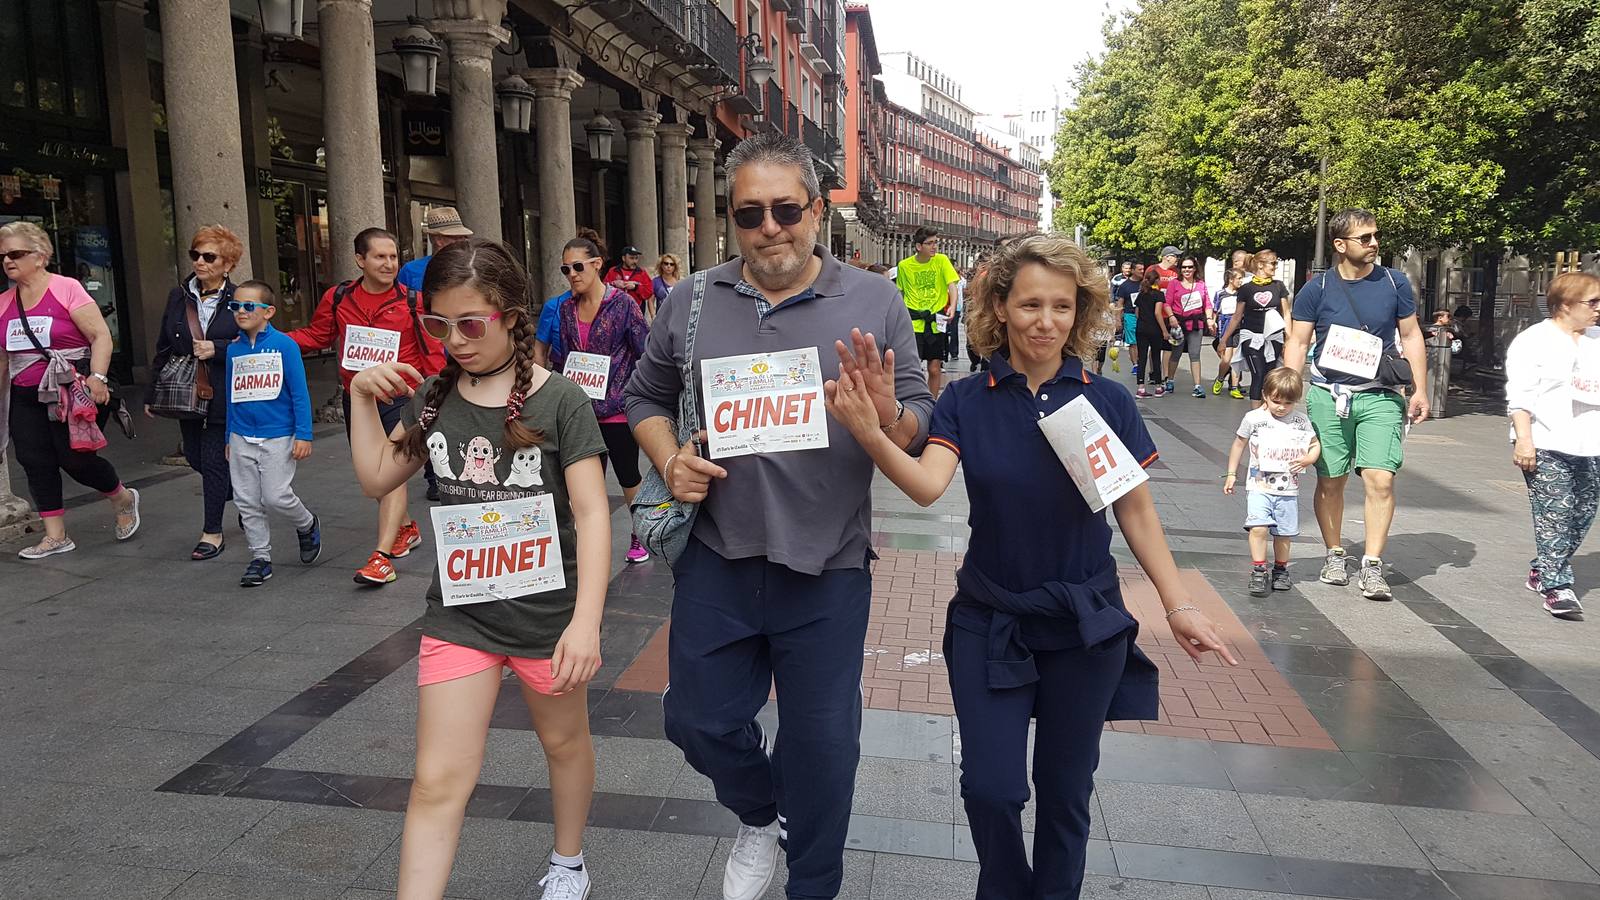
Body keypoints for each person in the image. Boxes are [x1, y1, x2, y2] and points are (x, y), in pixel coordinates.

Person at [824, 232, 1237, 900]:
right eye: (1030, 305)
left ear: (1080, 312)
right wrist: (872, 434)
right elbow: (929, 485)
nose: (1046, 321)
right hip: (991, 621)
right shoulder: (967, 399)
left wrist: (1177, 602)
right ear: (1000, 308)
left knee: (1066, 793)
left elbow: (1133, 512)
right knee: (990, 789)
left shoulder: (1106, 402)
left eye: (1062, 306)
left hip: (1085, 626)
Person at [624, 131, 935, 900]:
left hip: (827, 566)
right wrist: (669, 461)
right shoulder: (691, 300)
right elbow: (644, 397)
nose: (771, 228)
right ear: (731, 220)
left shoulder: (873, 300)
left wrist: (888, 414)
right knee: (696, 722)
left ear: (817, 211)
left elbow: (920, 415)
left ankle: (813, 883)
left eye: (787, 210)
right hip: (718, 558)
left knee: (825, 750)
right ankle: (761, 813)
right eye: (750, 214)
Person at [347, 239, 610, 900]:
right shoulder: (435, 399)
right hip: (461, 618)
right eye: (438, 325)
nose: (454, 341)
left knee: (564, 745)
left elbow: (593, 513)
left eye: (470, 324)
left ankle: (569, 860)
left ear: (512, 316)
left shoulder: (562, 403)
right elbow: (378, 476)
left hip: (548, 620)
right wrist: (358, 397)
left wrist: (585, 626)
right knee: (437, 779)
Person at [1283, 209, 1428, 601]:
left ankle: (1373, 564)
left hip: (1380, 394)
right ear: (1340, 245)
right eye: (1365, 238)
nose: (1374, 243)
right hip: (1327, 395)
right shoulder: (1318, 288)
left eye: (1375, 236)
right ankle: (1334, 554)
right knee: (1330, 481)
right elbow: (1297, 342)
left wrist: (1419, 389)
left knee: (1380, 478)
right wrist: (1287, 393)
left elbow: (1412, 335)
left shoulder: (1394, 283)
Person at [287, 227, 444, 586]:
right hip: (358, 398)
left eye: (393, 257)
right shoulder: (339, 297)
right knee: (371, 474)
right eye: (380, 257)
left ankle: (382, 557)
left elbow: (433, 353)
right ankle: (405, 528)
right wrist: (275, 339)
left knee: (389, 471)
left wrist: (435, 392)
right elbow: (318, 336)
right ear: (360, 260)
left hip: (400, 398)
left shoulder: (413, 301)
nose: (389, 264)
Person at [1, 221, 140, 558]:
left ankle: (121, 497)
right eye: (3, 255)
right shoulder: (4, 302)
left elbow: (100, 336)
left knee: (76, 460)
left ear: (40, 255)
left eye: (15, 254)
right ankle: (56, 535)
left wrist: (98, 377)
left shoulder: (66, 288)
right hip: (25, 394)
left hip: (69, 389)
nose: (7, 261)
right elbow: (3, 358)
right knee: (34, 460)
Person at [551, 230, 652, 565]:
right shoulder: (565, 308)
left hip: (618, 410)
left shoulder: (623, 304)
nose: (572, 275)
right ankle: (586, 544)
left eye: (577, 267)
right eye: (565, 269)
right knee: (584, 484)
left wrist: (634, 393)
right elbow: (562, 355)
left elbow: (645, 351)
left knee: (627, 475)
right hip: (580, 410)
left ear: (597, 265)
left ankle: (640, 535)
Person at [1506, 271, 1600, 620]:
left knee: (1583, 513)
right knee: (1555, 514)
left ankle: (1543, 565)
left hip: (1591, 443)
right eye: (1592, 302)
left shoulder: (1596, 340)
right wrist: (1524, 441)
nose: (1597, 309)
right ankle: (1556, 585)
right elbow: (1520, 396)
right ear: (1564, 305)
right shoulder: (1534, 341)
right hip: (1546, 441)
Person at [148, 226, 243, 560]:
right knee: (195, 456)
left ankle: (212, 532)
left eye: (209, 256)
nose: (200, 262)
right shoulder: (179, 296)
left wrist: (216, 349)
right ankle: (247, 497)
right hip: (186, 388)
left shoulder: (239, 298)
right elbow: (163, 344)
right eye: (195, 255)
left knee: (215, 460)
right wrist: (150, 393)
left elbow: (255, 343)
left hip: (223, 388)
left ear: (227, 264)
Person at [223, 280, 322, 587]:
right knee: (247, 500)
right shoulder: (233, 349)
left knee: (276, 496)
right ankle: (260, 558)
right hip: (241, 435)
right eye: (235, 306)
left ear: (268, 312)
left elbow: (299, 393)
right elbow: (232, 395)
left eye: (249, 306)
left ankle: (306, 524)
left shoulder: (285, 346)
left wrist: (304, 434)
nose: (241, 311)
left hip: (278, 434)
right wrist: (229, 436)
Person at [1224, 367, 1321, 596]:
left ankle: (1280, 569)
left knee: (1283, 533)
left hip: (1287, 489)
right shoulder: (1254, 418)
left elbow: (1315, 444)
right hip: (1259, 486)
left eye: (1288, 403)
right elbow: (1238, 443)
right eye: (1276, 401)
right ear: (1265, 395)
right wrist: (1231, 473)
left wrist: (1308, 458)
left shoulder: (1301, 421)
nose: (1281, 407)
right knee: (1257, 527)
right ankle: (1259, 569)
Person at [1219, 250, 1292, 408]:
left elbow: (1286, 313)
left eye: (1276, 263)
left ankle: (1267, 409)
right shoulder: (1246, 289)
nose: (1275, 267)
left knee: (1270, 376)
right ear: (1260, 265)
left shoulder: (1278, 286)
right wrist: (1224, 340)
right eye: (1272, 263)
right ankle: (1256, 415)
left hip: (1273, 338)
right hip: (1251, 337)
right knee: (1258, 374)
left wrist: (1289, 339)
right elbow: (1237, 316)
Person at [895, 226, 961, 396]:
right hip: (914, 321)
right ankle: (915, 399)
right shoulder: (904, 266)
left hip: (936, 319)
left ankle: (931, 402)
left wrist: (952, 306)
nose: (934, 246)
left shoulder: (942, 261)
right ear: (918, 246)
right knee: (913, 367)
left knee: (934, 368)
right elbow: (901, 292)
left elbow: (952, 286)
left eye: (935, 243)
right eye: (929, 243)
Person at [1163, 257, 1214, 397]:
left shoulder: (1200, 285)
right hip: (1178, 323)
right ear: (1180, 269)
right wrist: (1171, 317)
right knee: (1176, 353)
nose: (1187, 270)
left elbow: (1207, 304)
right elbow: (1166, 303)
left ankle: (1197, 386)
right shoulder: (1174, 284)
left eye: (1190, 267)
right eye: (1184, 267)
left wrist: (1209, 319)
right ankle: (1170, 381)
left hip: (1196, 324)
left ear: (1195, 268)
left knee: (1195, 354)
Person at [397, 206, 474, 293]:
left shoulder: (472, 267)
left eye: (464, 237)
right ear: (439, 240)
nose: (462, 241)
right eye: (456, 238)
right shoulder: (410, 270)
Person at [1133, 267, 1171, 398]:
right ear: (1157, 280)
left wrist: (1143, 321)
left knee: (1141, 357)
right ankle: (1158, 387)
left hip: (1141, 328)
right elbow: (1157, 313)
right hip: (1154, 329)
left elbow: (1137, 312)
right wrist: (1164, 330)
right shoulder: (1159, 295)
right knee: (1155, 356)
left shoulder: (1141, 294)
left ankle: (1141, 387)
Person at [1211, 266, 1244, 397]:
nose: (1241, 281)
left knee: (1237, 359)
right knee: (1226, 359)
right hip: (1225, 327)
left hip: (1239, 328)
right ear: (1231, 279)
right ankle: (1220, 378)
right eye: (1239, 278)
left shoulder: (1242, 294)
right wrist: (1212, 322)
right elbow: (1216, 310)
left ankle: (1234, 387)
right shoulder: (1221, 293)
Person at [1114, 262, 1144, 377]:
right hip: (1130, 315)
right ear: (1132, 270)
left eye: (1143, 269)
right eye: (1139, 269)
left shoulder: (1144, 284)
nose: (1142, 271)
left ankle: (1142, 362)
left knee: (1143, 341)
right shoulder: (1125, 286)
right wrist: (1118, 319)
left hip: (1144, 316)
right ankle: (1135, 364)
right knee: (1133, 342)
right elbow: (1120, 303)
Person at [604, 245, 655, 311]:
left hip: (636, 311)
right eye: (631, 258)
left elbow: (649, 292)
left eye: (636, 258)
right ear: (623, 258)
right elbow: (603, 287)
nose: (634, 261)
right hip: (616, 310)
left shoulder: (642, 273)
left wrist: (636, 287)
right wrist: (613, 284)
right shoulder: (613, 271)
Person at [650, 253, 682, 323]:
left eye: (672, 264)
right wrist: (653, 316)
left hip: (677, 317)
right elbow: (650, 300)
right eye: (666, 263)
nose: (668, 266)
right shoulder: (655, 281)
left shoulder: (680, 281)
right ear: (661, 265)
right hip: (661, 318)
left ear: (675, 267)